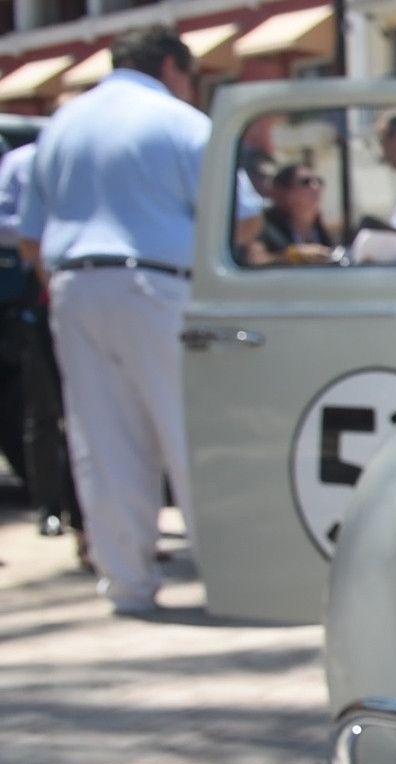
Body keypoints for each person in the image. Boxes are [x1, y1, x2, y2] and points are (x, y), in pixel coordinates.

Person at [18, 27, 265, 614]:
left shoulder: (63, 126)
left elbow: (31, 239)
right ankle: (227, 577)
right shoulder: (179, 121)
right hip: (158, 285)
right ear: (173, 68)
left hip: (75, 285)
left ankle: (126, 580)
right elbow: (245, 219)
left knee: (101, 437)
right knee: (189, 430)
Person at [0, 137, 84, 551]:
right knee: (45, 409)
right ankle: (50, 506)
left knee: (93, 412)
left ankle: (87, 516)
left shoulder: (95, 166)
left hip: (86, 298)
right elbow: (13, 230)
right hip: (38, 299)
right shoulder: (24, 163)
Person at [255, 163, 336, 264]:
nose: (315, 187)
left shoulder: (326, 231)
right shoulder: (264, 228)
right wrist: (293, 256)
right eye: (305, 182)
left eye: (319, 181)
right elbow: (254, 260)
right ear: (286, 192)